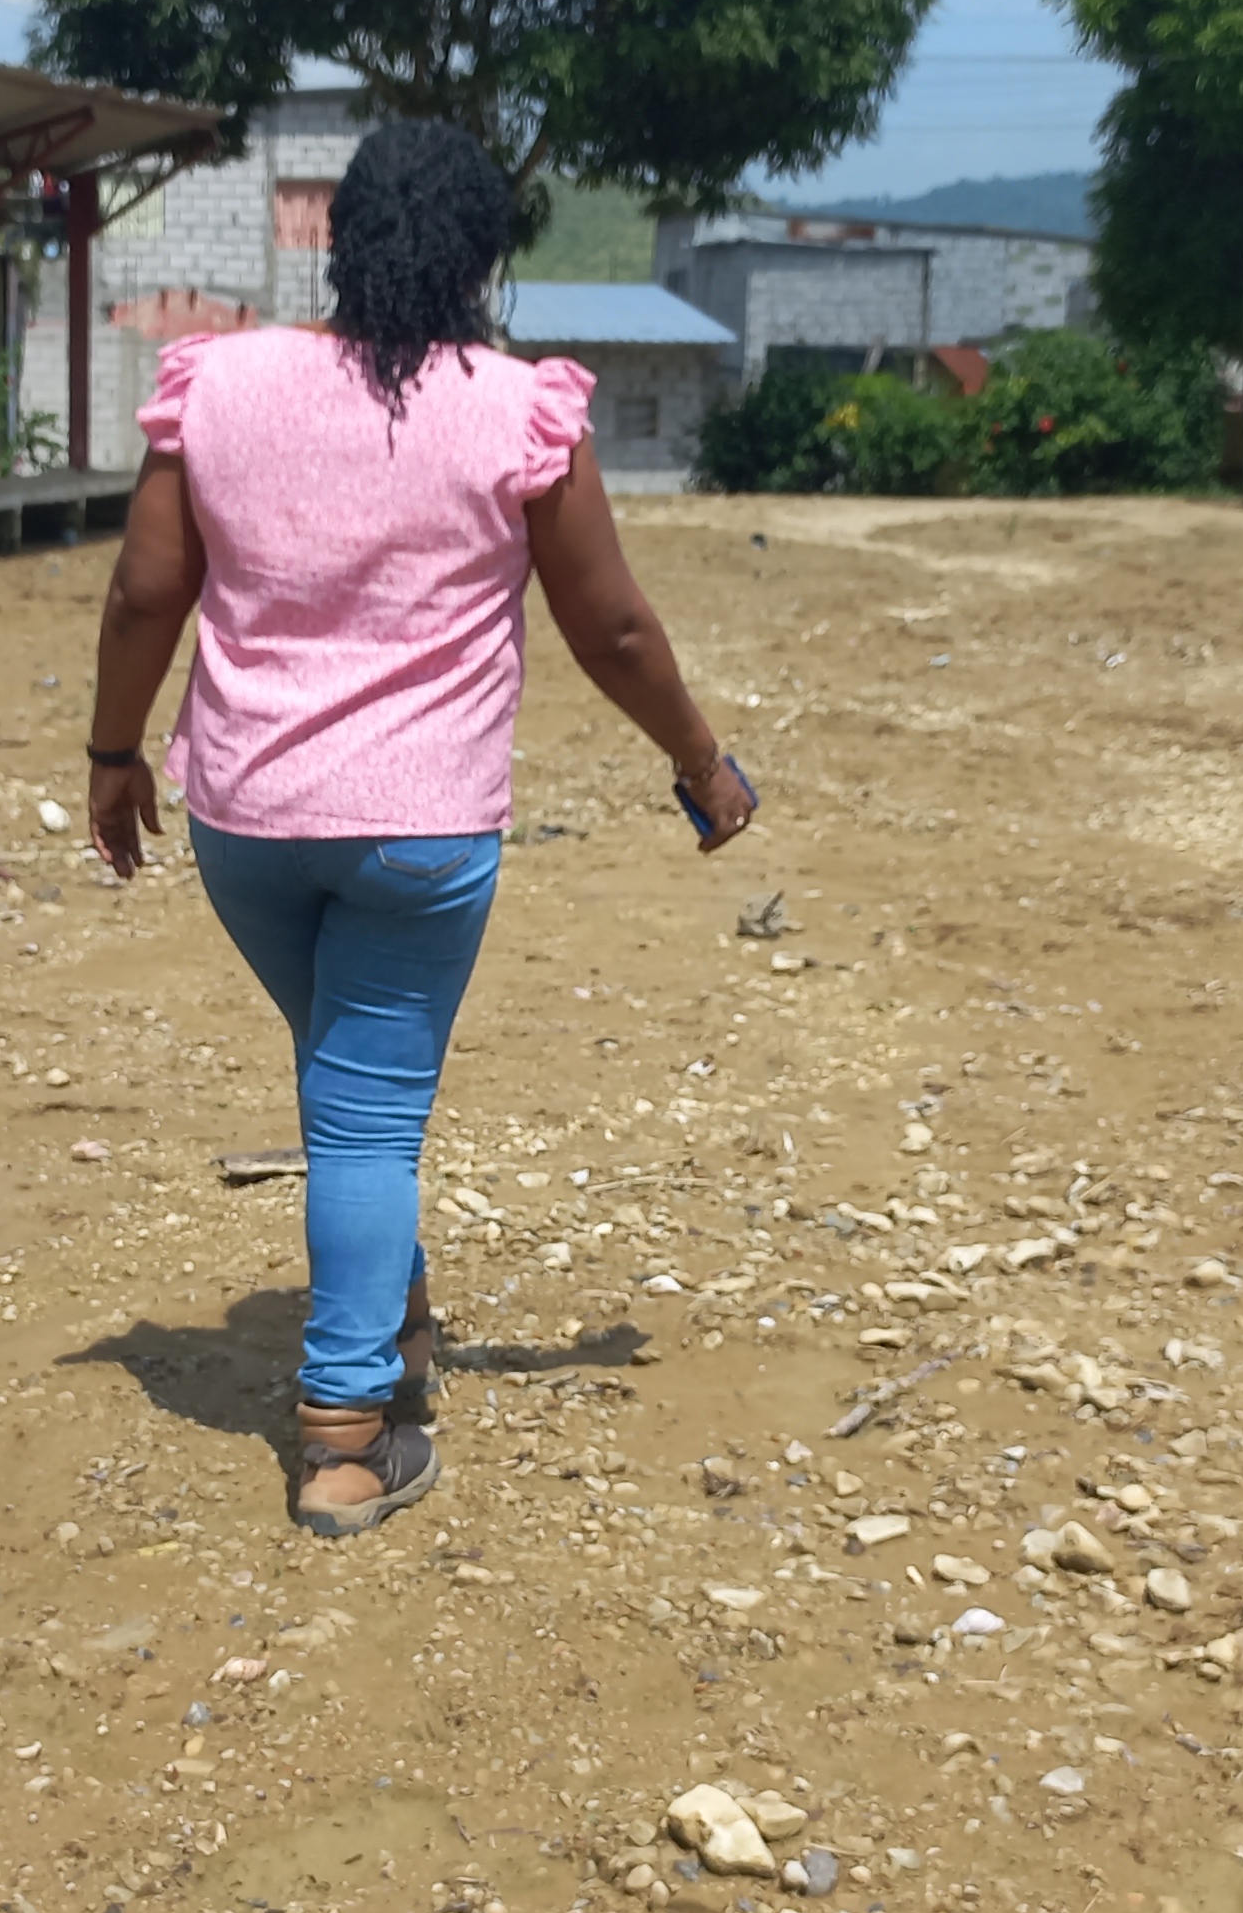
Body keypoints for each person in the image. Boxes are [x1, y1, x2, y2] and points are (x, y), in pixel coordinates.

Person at [83, 119, 757, 1537]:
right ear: (483, 257)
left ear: (336, 239)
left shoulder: (222, 382)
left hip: (247, 820)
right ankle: (344, 1437)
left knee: (347, 1091)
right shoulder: (515, 410)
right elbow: (612, 627)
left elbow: (146, 593)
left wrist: (111, 753)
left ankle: (394, 1324)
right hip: (420, 832)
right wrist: (700, 762)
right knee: (369, 1117)